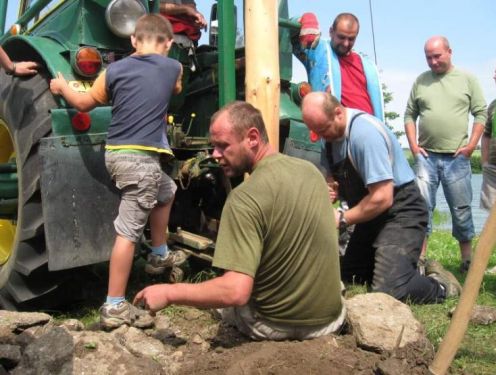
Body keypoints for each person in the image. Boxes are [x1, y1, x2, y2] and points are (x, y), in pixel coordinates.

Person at [134, 101, 346, 341]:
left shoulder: (244, 198)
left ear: (252, 138)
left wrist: (169, 293)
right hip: (331, 320)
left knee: (226, 305)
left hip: (275, 326)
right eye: (213, 147)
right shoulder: (312, 173)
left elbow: (235, 291)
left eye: (223, 146)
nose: (215, 155)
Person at [50, 14, 186, 330]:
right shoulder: (172, 67)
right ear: (168, 43)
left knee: (167, 191)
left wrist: (60, 86)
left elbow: (83, 104)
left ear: (133, 41)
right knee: (127, 232)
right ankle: (114, 306)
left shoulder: (113, 72)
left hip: (116, 156)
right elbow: (177, 88)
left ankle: (159, 252)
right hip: (141, 161)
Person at [302, 92, 462, 304]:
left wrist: (342, 218)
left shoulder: (365, 135)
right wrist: (330, 187)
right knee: (347, 277)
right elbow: (333, 178)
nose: (321, 136)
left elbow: (382, 198)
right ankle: (403, 270)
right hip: (371, 217)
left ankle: (441, 285)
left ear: (338, 113)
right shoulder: (329, 139)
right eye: (315, 131)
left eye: (322, 129)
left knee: (389, 290)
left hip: (402, 212)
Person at [404, 36, 487, 273]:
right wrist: (412, 145)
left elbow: (480, 113)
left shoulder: (467, 79)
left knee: (461, 209)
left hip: (457, 158)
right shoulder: (421, 81)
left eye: (437, 56)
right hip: (426, 157)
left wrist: (471, 146)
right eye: (428, 57)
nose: (432, 61)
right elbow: (409, 114)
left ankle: (467, 260)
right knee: (422, 208)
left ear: (449, 52)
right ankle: (420, 259)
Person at [293, 12, 384, 122]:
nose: (346, 43)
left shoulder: (367, 64)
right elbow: (285, 33)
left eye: (351, 39)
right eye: (341, 37)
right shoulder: (317, 49)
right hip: (336, 129)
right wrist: (307, 19)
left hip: (371, 126)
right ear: (331, 31)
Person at [480, 61, 496, 211]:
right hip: (493, 171)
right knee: (493, 218)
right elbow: (486, 135)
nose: (495, 77)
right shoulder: (493, 104)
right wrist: (485, 162)